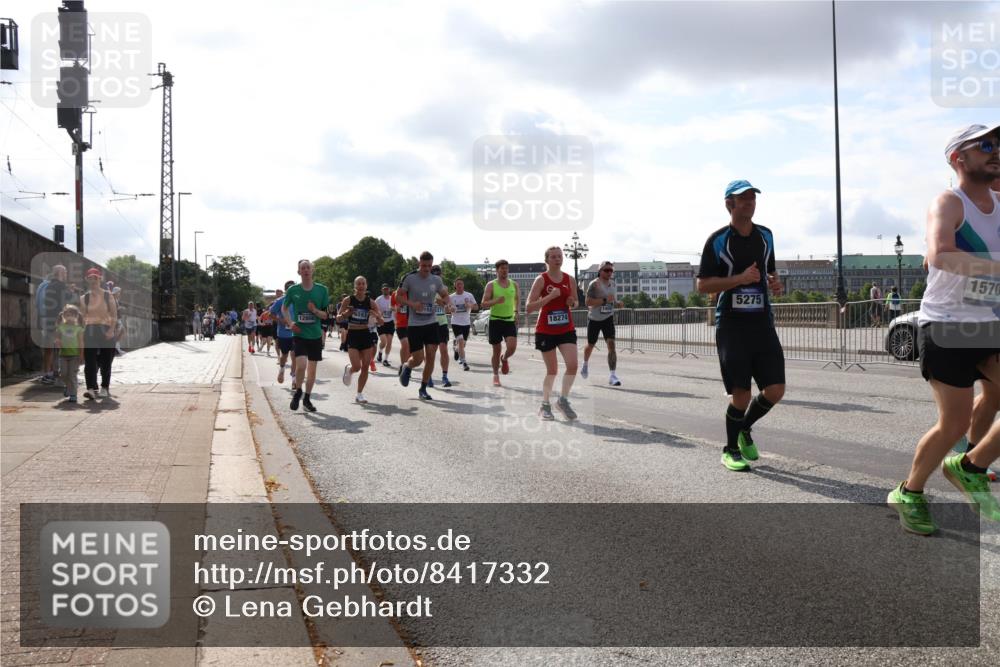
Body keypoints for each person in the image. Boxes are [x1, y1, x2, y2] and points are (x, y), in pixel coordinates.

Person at [887, 123, 1000, 535]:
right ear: (958, 158)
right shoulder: (949, 202)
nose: (996, 150)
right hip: (948, 326)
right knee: (952, 424)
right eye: (985, 144)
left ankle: (970, 465)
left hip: (990, 324)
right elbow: (941, 255)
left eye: (999, 144)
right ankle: (910, 491)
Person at [696, 180, 786, 472]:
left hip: (762, 322)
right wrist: (739, 279)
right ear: (729, 205)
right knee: (742, 395)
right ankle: (730, 449)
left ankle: (744, 429)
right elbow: (703, 285)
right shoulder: (718, 240)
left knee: (775, 389)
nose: (749, 202)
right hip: (731, 324)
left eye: (752, 198)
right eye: (742, 199)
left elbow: (769, 271)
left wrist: (775, 282)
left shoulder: (766, 236)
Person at [526, 246, 580, 420]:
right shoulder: (541, 280)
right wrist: (550, 297)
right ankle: (545, 405)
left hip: (566, 328)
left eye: (560, 256)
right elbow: (528, 307)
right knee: (553, 370)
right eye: (554, 257)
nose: (558, 259)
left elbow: (576, 303)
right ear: (547, 260)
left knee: (572, 365)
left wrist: (572, 302)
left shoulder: (569, 279)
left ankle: (563, 400)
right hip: (546, 331)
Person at [398, 252, 449, 400]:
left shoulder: (436, 280)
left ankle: (423, 388)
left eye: (429, 266)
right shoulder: (410, 278)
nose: (426, 268)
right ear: (419, 264)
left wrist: (444, 301)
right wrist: (412, 304)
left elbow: (445, 295)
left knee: (431, 356)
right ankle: (407, 366)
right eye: (424, 265)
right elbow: (399, 296)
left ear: (432, 265)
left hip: (431, 322)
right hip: (414, 324)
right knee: (419, 359)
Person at [282, 260, 330, 412]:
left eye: (308, 267)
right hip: (299, 334)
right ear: (299, 272)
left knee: (312, 371)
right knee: (301, 365)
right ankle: (298, 391)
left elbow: (325, 315)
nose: (306, 270)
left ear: (312, 270)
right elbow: (284, 309)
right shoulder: (293, 290)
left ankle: (307, 399)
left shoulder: (322, 290)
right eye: (303, 268)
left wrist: (314, 310)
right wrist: (290, 324)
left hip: (315, 335)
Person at [340, 277, 385, 403]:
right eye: (358, 284)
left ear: (366, 286)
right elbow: (338, 318)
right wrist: (346, 314)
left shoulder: (371, 302)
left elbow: (381, 322)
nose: (361, 286)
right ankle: (350, 370)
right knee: (357, 366)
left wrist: (375, 315)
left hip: (365, 334)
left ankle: (359, 394)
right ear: (355, 286)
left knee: (365, 366)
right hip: (353, 333)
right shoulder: (348, 300)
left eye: (363, 283)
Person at [582, 260, 625, 386]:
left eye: (611, 270)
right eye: (606, 270)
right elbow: (588, 302)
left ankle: (612, 375)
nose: (609, 272)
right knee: (590, 345)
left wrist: (617, 304)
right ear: (600, 271)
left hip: (608, 318)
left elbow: (612, 300)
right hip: (594, 319)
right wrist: (605, 300)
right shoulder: (594, 284)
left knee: (611, 345)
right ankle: (585, 364)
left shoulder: (612, 284)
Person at [80, 267, 119, 400]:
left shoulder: (108, 295)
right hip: (90, 330)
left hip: (106, 329)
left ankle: (104, 388)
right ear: (87, 280)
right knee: (89, 361)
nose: (93, 281)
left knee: (106, 360)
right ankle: (91, 388)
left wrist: (111, 330)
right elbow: (83, 317)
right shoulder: (84, 298)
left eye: (95, 278)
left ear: (99, 279)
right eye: (90, 278)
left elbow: (114, 315)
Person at [481, 259, 519, 387]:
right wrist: (496, 301)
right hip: (495, 320)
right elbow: (483, 303)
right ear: (497, 270)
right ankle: (495, 376)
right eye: (502, 268)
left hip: (509, 320)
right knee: (496, 350)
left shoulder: (514, 284)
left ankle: (505, 358)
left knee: (512, 347)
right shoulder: (491, 285)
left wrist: (516, 311)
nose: (505, 270)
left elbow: (517, 299)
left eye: (506, 268)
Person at [38, 264, 70, 384]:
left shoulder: (48, 285)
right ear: (60, 273)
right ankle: (63, 374)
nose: (66, 274)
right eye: (65, 272)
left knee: (49, 349)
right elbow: (65, 303)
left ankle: (48, 373)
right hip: (58, 321)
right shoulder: (61, 286)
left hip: (47, 320)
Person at [55, 304, 85, 403]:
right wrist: (58, 342)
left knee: (72, 375)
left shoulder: (78, 329)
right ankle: (68, 387)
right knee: (63, 374)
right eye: (67, 315)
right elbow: (57, 338)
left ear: (76, 316)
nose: (69, 317)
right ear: (64, 316)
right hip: (63, 355)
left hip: (75, 355)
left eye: (71, 315)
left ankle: (73, 394)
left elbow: (81, 342)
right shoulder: (61, 327)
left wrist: (81, 354)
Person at [430, 265, 453, 388]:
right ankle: (428, 376)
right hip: (430, 322)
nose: (438, 277)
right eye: (435, 275)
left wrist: (446, 304)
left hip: (442, 321)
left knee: (444, 349)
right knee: (431, 352)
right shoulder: (425, 287)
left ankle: (445, 376)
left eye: (439, 275)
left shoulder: (444, 288)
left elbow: (446, 304)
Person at [269, 283, 296, 386]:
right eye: (290, 289)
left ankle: (294, 378)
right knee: (284, 355)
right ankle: (282, 369)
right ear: (286, 290)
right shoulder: (280, 301)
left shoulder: (299, 300)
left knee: (295, 355)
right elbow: (270, 314)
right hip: (283, 333)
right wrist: (281, 320)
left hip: (296, 333)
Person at [449, 278, 478, 371]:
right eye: (457, 284)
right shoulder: (451, 297)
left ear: (463, 285)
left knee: (463, 345)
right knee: (461, 342)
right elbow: (446, 308)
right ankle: (464, 362)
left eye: (461, 284)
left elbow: (477, 307)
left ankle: (456, 348)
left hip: (466, 322)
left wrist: (470, 305)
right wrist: (450, 309)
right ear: (455, 286)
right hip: (456, 322)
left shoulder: (469, 295)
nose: (459, 286)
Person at [374, 284, 395, 367]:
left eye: (387, 289)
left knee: (389, 342)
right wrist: (379, 315)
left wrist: (393, 309)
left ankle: (385, 359)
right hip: (381, 322)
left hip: (390, 322)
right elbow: (374, 309)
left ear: (389, 290)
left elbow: (397, 307)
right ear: (382, 290)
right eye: (384, 289)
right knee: (384, 341)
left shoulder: (392, 298)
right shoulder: (378, 299)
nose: (386, 290)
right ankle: (380, 352)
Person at [392, 280, 410, 368]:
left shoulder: (412, 294)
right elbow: (391, 306)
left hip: (411, 324)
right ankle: (403, 366)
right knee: (405, 344)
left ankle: (407, 366)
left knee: (410, 347)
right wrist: (396, 308)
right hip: (400, 324)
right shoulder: (395, 294)